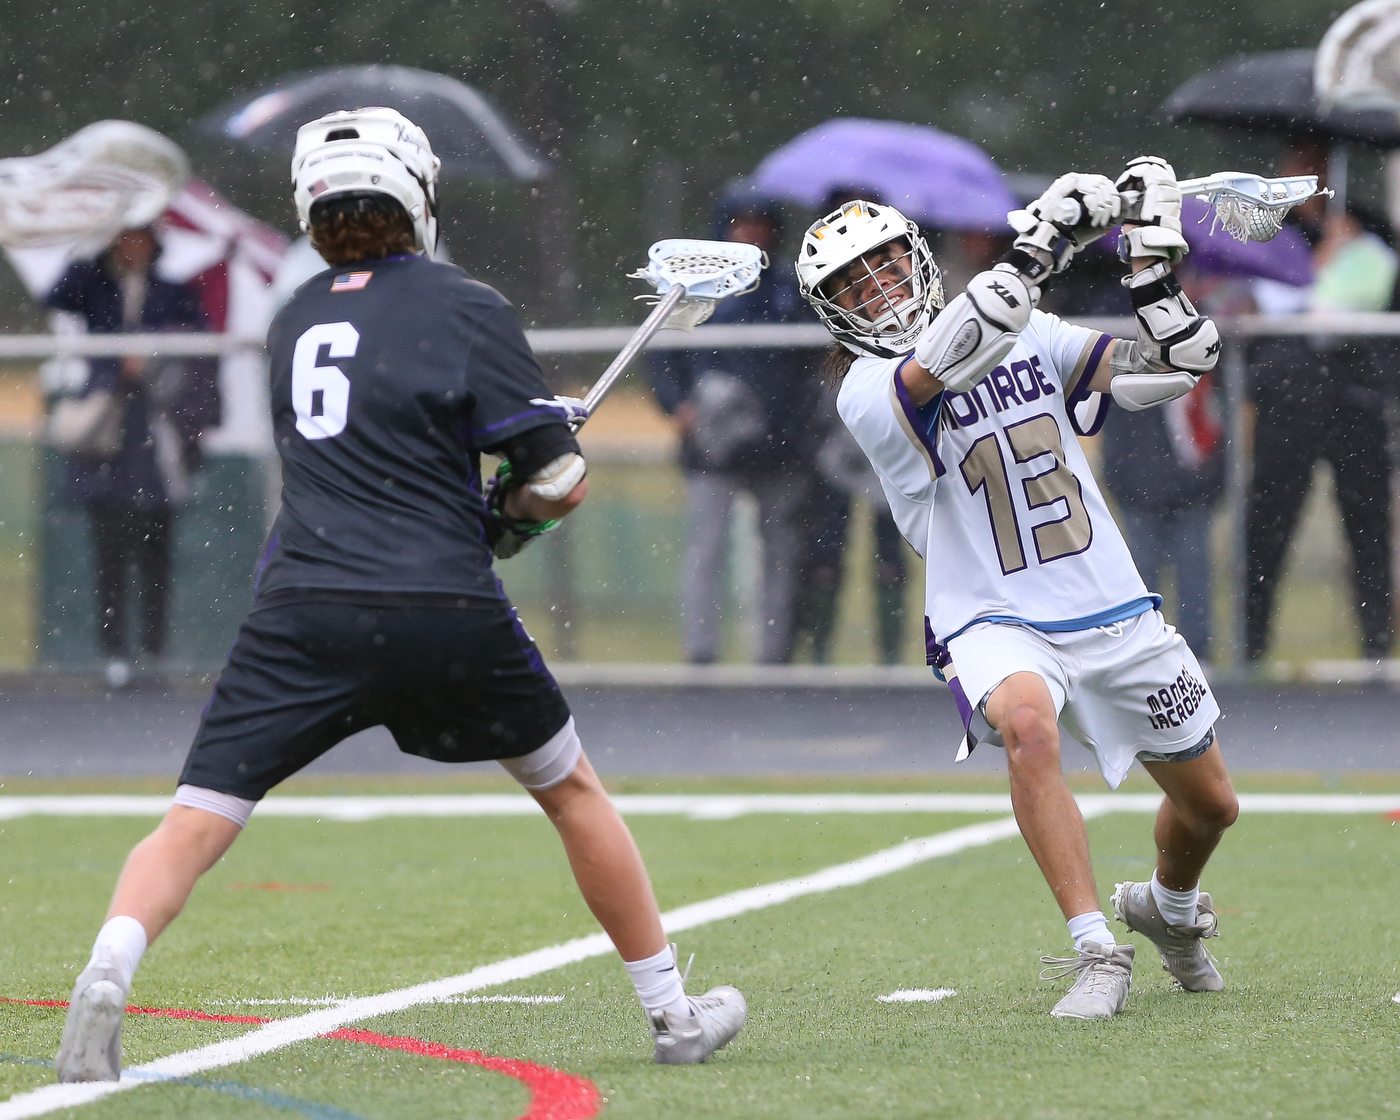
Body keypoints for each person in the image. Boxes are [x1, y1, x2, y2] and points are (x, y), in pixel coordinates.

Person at [55, 107, 745, 1083]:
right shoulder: (467, 304)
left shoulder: (293, 318)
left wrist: (503, 451)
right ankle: (672, 1014)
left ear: (312, 205)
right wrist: (507, 506)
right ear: (418, 193)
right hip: (438, 606)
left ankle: (108, 969)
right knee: (569, 790)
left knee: (195, 817)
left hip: (302, 606)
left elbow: (370, 445)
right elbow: (556, 484)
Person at [796, 159, 1239, 1019]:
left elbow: (1177, 365)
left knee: (1212, 807)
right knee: (1027, 725)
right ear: (831, 309)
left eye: (886, 262)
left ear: (916, 257)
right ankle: (1096, 951)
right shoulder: (865, 390)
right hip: (992, 608)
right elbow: (966, 340)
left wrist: (1148, 262)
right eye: (853, 280)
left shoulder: (1022, 321)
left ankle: (1168, 910)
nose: (878, 286)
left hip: (1109, 600)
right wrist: (1047, 233)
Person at [649, 182, 819, 663]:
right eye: (741, 223)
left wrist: (798, 422)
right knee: (706, 548)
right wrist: (679, 407)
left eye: (761, 224)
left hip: (779, 445)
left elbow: (813, 367)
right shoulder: (691, 289)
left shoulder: (792, 291)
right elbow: (660, 357)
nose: (751, 233)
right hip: (710, 445)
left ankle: (774, 653)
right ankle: (700, 653)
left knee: (780, 551)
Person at [45, 225, 220, 686]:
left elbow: (199, 347)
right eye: (124, 238)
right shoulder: (96, 284)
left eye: (140, 237)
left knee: (156, 550)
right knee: (109, 549)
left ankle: (154, 648)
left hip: (156, 431)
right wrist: (91, 244)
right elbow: (58, 296)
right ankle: (114, 652)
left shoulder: (174, 291)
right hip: (107, 431)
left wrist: (155, 357)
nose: (132, 246)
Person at [1246, 139, 1395, 662]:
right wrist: (1318, 264)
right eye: (1297, 162)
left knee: (1368, 526)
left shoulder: (1370, 227)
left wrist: (1354, 253)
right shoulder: (1269, 229)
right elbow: (1263, 302)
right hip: (1287, 398)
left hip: (1357, 400)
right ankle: (1251, 648)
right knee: (1268, 524)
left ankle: (1376, 651)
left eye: (1315, 163)